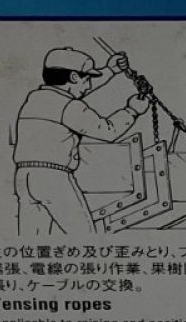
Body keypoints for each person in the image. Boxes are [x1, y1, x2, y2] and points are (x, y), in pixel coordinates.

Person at [13, 47, 150, 235]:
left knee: (32, 241)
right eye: (87, 79)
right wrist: (132, 111)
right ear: (74, 77)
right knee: (84, 237)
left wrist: (111, 70)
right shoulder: (70, 106)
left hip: (24, 177)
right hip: (53, 179)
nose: (89, 86)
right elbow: (107, 131)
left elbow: (75, 91)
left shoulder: (35, 99)